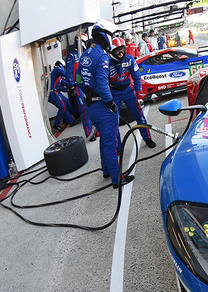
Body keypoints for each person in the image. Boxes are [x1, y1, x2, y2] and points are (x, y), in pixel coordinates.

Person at [79, 19, 134, 189]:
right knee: (110, 144)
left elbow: (78, 80)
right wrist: (111, 104)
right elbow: (103, 86)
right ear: (105, 36)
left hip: (90, 107)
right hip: (102, 106)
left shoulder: (84, 55)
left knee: (104, 139)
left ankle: (106, 171)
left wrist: (88, 91)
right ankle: (117, 179)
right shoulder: (102, 56)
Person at [108, 42, 156, 148]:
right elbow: (103, 82)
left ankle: (148, 139)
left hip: (128, 90)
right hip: (114, 92)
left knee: (139, 115)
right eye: (117, 50)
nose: (121, 52)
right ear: (111, 52)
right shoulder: (107, 62)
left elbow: (137, 76)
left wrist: (139, 94)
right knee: (113, 120)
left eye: (122, 49)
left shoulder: (129, 59)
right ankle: (118, 147)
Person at [67, 33, 95, 140]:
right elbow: (69, 72)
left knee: (93, 106)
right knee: (84, 108)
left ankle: (95, 131)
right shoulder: (72, 56)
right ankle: (89, 133)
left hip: (88, 82)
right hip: (78, 85)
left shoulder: (86, 54)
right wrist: (71, 86)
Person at [48, 59, 75, 132]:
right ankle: (58, 124)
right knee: (62, 107)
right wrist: (72, 74)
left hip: (55, 92)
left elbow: (62, 85)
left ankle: (71, 117)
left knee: (66, 102)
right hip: (53, 93)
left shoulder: (57, 76)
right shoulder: (57, 70)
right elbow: (65, 73)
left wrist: (69, 88)